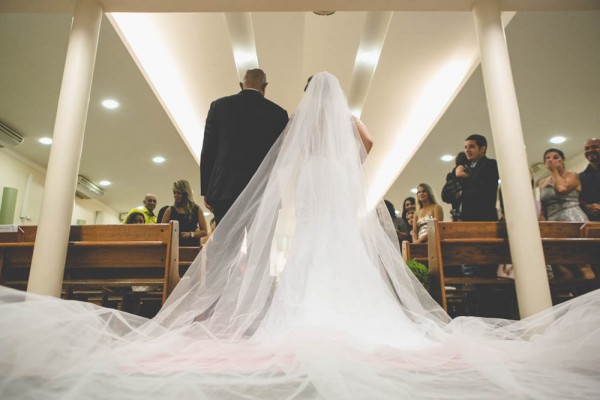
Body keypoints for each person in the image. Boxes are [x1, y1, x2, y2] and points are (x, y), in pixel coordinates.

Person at [1, 72, 600, 399]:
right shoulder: (349, 132)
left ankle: (303, 318)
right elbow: (367, 146)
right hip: (340, 208)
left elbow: (278, 175)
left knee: (310, 262)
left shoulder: (295, 133)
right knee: (344, 266)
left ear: (306, 99)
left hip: (311, 209)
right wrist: (351, 161)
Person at [200, 68, 289, 225]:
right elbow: (280, 155)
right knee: (260, 246)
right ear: (265, 86)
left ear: (241, 85)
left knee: (225, 245)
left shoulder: (219, 106)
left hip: (225, 189)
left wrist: (207, 189)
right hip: (263, 190)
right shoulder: (278, 113)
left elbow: (208, 150)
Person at [539, 148, 593, 279]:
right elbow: (543, 206)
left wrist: (554, 171)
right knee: (562, 266)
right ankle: (572, 296)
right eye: (548, 158)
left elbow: (561, 188)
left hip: (573, 219)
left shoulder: (572, 175)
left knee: (583, 265)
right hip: (552, 222)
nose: (551, 160)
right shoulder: (542, 182)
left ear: (563, 160)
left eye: (556, 157)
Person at [457, 134, 499, 277]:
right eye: (465, 147)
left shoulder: (490, 165)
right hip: (468, 219)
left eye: (471, 147)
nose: (467, 150)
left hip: (484, 218)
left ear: (483, 149)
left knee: (486, 261)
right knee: (472, 262)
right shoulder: (465, 169)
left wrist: (462, 193)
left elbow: (485, 191)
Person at [161, 180, 208, 247]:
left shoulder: (197, 210)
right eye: (174, 193)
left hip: (192, 247)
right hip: (174, 247)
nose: (175, 195)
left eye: (179, 193)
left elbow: (204, 231)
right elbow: (162, 231)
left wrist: (191, 234)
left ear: (185, 194)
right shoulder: (170, 210)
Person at [579, 138, 600, 221]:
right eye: (586, 149)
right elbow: (575, 199)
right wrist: (587, 207)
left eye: (594, 147)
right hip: (591, 223)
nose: (590, 150)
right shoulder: (579, 177)